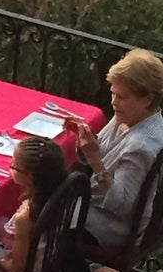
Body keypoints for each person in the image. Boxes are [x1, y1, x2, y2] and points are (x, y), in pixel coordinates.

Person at [63, 48, 163, 249]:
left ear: (147, 99)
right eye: (113, 94)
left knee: (41, 213)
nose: (114, 102)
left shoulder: (142, 145)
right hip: (92, 203)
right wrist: (88, 139)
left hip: (112, 225)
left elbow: (122, 205)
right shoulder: (129, 116)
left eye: (122, 97)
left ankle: (61, 269)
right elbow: (106, 151)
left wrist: (94, 160)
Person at [0, 137, 69, 272]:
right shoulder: (56, 190)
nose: (10, 167)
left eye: (14, 165)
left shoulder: (26, 218)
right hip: (45, 263)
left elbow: (17, 271)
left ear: (30, 176)